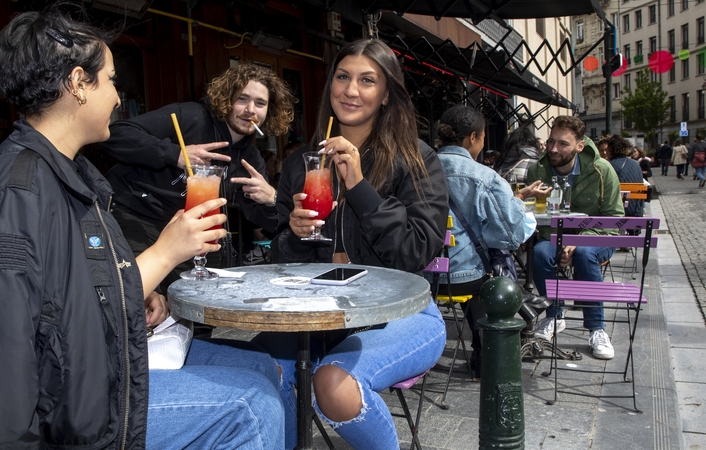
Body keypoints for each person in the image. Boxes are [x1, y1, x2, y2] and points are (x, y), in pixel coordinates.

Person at [0, 6, 284, 448]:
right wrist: (164, 253)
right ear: (77, 84)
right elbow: (1, 357)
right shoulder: (17, 193)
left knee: (262, 367)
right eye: (109, 80)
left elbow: (71, 293)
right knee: (253, 403)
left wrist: (140, 293)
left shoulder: (71, 173)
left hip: (98, 363)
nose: (118, 98)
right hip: (71, 410)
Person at [253, 38, 448, 450]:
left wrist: (359, 186)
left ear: (386, 94)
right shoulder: (302, 164)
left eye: (367, 80)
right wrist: (295, 235)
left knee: (333, 383)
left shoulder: (417, 160)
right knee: (259, 372)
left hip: (403, 314)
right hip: (319, 318)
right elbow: (281, 262)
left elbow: (415, 252)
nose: (351, 90)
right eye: (343, 77)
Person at [100, 62, 296, 285]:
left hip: (188, 235)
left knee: (197, 296)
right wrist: (175, 154)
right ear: (227, 98)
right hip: (138, 219)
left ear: (269, 111)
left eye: (260, 103)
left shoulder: (250, 159)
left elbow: (267, 225)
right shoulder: (191, 116)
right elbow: (117, 134)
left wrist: (271, 198)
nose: (250, 109)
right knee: (139, 294)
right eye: (242, 99)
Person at [434, 104, 546, 377]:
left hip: (420, 274)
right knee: (488, 272)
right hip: (464, 276)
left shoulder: (416, 169)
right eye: (483, 137)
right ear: (473, 137)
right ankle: (486, 352)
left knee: (478, 268)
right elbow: (510, 236)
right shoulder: (485, 177)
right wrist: (517, 203)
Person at [526, 116, 624, 360]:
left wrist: (579, 240)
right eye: (551, 141)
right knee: (539, 253)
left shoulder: (602, 170)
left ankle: (596, 328)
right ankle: (554, 315)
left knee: (584, 253)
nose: (553, 149)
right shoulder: (538, 170)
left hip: (596, 237)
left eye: (563, 144)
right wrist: (561, 242)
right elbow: (533, 217)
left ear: (580, 146)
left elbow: (614, 219)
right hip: (553, 236)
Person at [604, 135, 645, 219]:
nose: (605, 152)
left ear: (611, 149)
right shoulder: (636, 164)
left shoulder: (609, 166)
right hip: (636, 212)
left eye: (606, 149)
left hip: (617, 212)